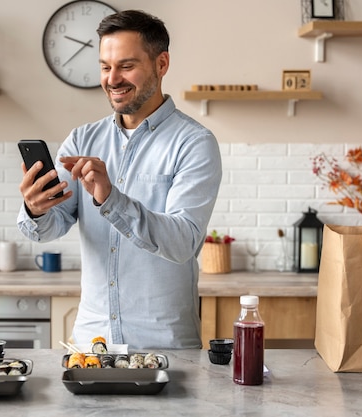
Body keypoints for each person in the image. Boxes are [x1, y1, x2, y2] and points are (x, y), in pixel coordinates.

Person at [18, 10, 222, 349]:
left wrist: (112, 199)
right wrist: (35, 208)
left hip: (164, 348)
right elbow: (49, 228)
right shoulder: (82, 140)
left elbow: (183, 242)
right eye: (104, 66)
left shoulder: (194, 143)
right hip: (91, 345)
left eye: (126, 66)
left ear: (162, 64)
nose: (112, 79)